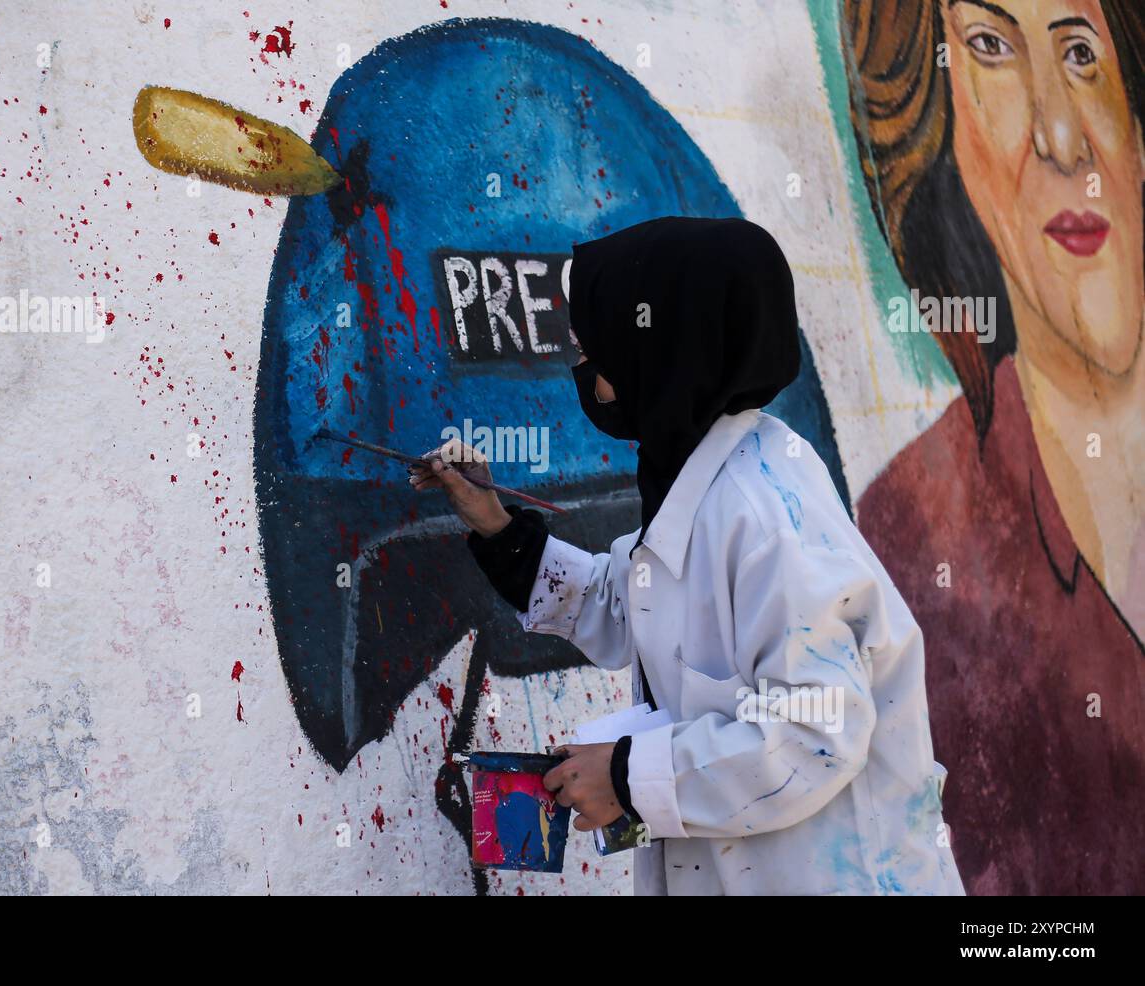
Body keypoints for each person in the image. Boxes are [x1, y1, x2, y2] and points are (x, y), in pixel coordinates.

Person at [410, 216, 963, 895]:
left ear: (660, 349)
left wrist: (626, 777)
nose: (582, 369)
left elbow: (816, 731)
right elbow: (624, 604)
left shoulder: (762, 513)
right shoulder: (706, 478)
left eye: (595, 348)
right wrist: (497, 528)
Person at [843, 0, 1145, 893]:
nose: (1061, 138)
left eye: (1081, 52)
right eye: (991, 48)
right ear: (942, 131)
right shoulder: (906, 540)